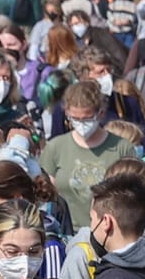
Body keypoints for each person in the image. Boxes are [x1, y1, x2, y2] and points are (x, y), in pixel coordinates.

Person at [40, 80, 135, 221]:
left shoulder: (122, 147)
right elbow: (45, 194)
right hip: (67, 232)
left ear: (100, 113)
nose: (81, 124)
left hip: (111, 230)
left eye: (87, 119)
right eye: (75, 119)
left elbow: (132, 193)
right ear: (67, 113)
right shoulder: (55, 147)